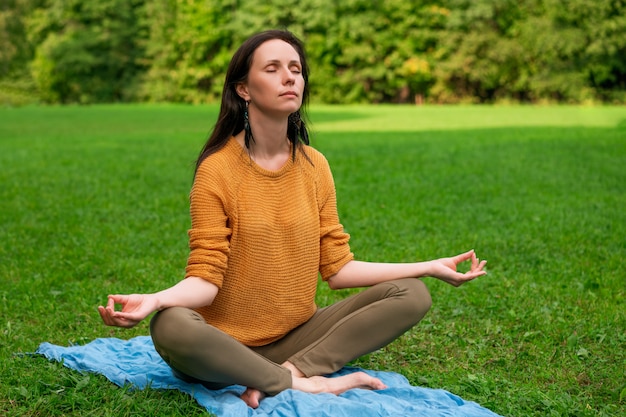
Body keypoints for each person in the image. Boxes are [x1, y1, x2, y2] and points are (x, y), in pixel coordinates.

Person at [98, 29, 487, 409]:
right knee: (169, 325)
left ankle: (286, 374)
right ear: (243, 89)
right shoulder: (217, 171)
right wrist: (155, 300)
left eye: (296, 69)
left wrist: (430, 267)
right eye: (272, 68)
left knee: (413, 293)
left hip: (296, 338)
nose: (289, 77)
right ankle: (298, 384)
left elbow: (338, 269)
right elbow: (205, 280)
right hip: (221, 347)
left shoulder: (315, 166)